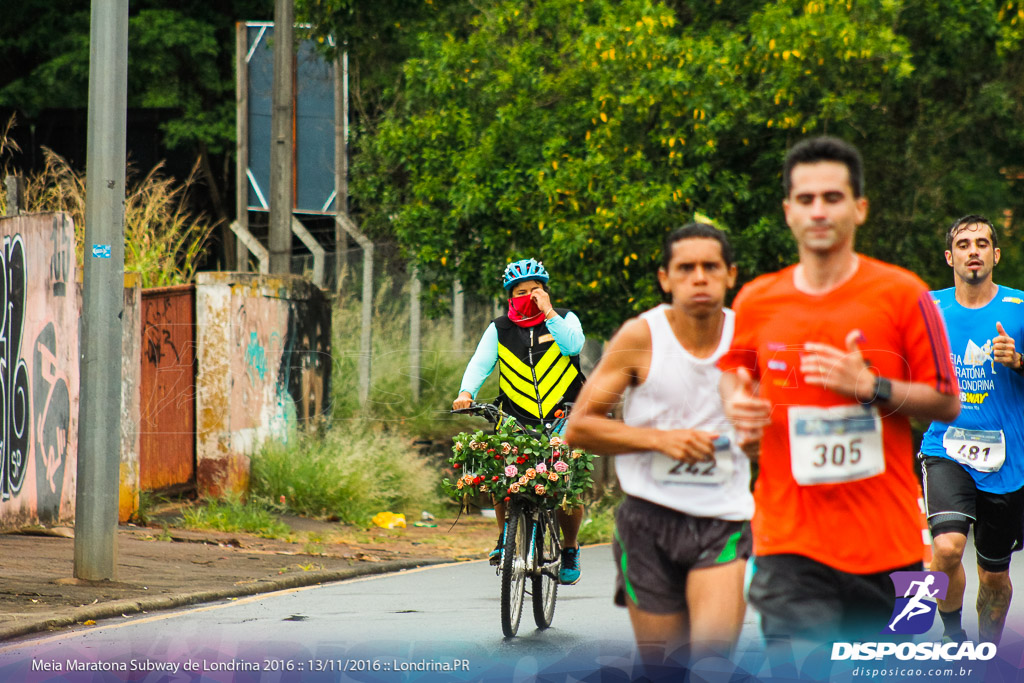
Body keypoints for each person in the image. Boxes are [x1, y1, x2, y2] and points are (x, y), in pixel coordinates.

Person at [718, 136, 960, 654]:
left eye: (832, 197)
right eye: (806, 200)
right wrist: (736, 399)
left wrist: (869, 386)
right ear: (788, 211)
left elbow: (946, 401)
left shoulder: (902, 294)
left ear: (860, 208)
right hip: (788, 538)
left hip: (886, 540)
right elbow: (734, 371)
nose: (819, 211)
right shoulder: (759, 299)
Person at [564, 223, 754, 664]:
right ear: (665, 278)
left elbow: (776, 427)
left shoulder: (751, 339)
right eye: (685, 268)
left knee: (711, 666)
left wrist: (761, 436)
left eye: (711, 266)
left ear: (730, 274)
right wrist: (660, 440)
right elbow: (581, 427)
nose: (699, 277)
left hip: (722, 520)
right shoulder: (640, 337)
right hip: (647, 522)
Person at [917, 214, 1024, 645]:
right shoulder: (929, 308)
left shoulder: (1019, 308)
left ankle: (988, 654)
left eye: (982, 243)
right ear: (950, 257)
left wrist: (1018, 361)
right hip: (945, 447)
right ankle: (952, 637)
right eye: (963, 244)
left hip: (1007, 461)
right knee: (945, 549)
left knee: (994, 577)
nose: (973, 250)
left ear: (995, 255)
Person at [452, 258, 586, 585]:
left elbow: (574, 346)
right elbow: (480, 363)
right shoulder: (500, 328)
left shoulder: (565, 319)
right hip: (515, 418)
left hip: (564, 415)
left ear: (546, 291)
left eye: (536, 289)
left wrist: (549, 312)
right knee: (501, 474)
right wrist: (466, 392)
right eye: (521, 291)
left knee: (567, 483)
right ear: (510, 297)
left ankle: (569, 547)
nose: (529, 296)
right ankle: (504, 538)